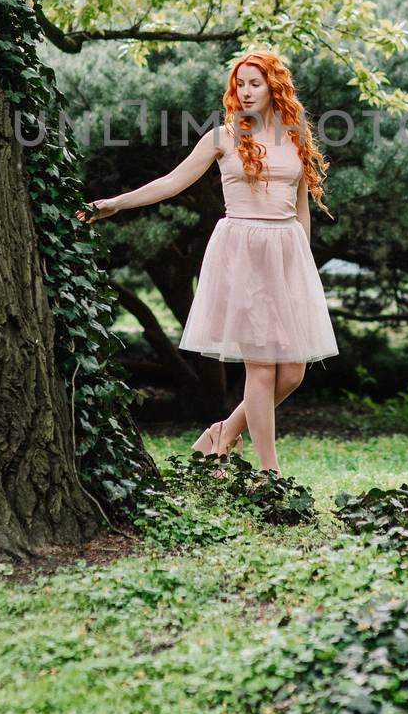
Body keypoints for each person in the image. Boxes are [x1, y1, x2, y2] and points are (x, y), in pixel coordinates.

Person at [77, 50, 338, 479]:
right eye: (240, 84)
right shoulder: (223, 137)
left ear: (275, 87)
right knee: (262, 367)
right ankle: (270, 476)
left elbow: (301, 207)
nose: (246, 91)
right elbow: (171, 182)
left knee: (292, 373)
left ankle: (221, 434)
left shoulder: (295, 135)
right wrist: (116, 204)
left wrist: (302, 269)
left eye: (255, 83)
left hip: (287, 254)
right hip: (243, 252)